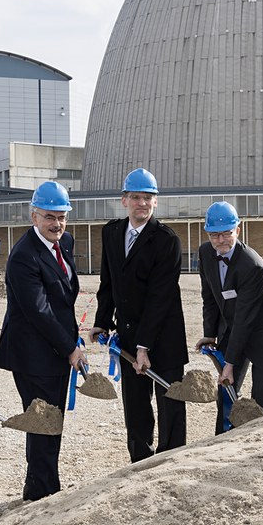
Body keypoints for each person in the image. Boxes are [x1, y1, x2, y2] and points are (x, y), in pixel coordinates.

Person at [0, 181, 86, 501]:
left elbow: (63, 301)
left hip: (56, 350)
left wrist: (72, 341)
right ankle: (41, 493)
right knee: (43, 422)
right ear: (34, 217)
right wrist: (71, 348)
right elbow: (39, 311)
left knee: (53, 420)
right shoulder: (23, 256)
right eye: (49, 216)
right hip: (32, 354)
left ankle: (42, 486)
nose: (57, 224)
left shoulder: (65, 243)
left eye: (61, 216)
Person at [90, 168, 188, 461]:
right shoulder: (111, 233)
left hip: (164, 337)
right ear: (124, 200)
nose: (141, 203)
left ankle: (170, 462)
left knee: (170, 403)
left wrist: (145, 347)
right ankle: (139, 462)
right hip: (129, 336)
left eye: (147, 198)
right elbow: (107, 282)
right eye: (136, 197)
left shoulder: (166, 240)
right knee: (136, 408)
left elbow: (160, 298)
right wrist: (101, 322)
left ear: (155, 202)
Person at [195, 201, 263, 434]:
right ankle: (223, 437)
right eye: (214, 235)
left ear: (238, 229)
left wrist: (230, 363)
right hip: (233, 327)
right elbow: (210, 296)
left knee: (261, 391)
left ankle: (262, 438)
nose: (220, 241)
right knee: (226, 388)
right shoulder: (205, 253)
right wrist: (210, 334)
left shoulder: (251, 265)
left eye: (226, 233)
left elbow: (245, 317)